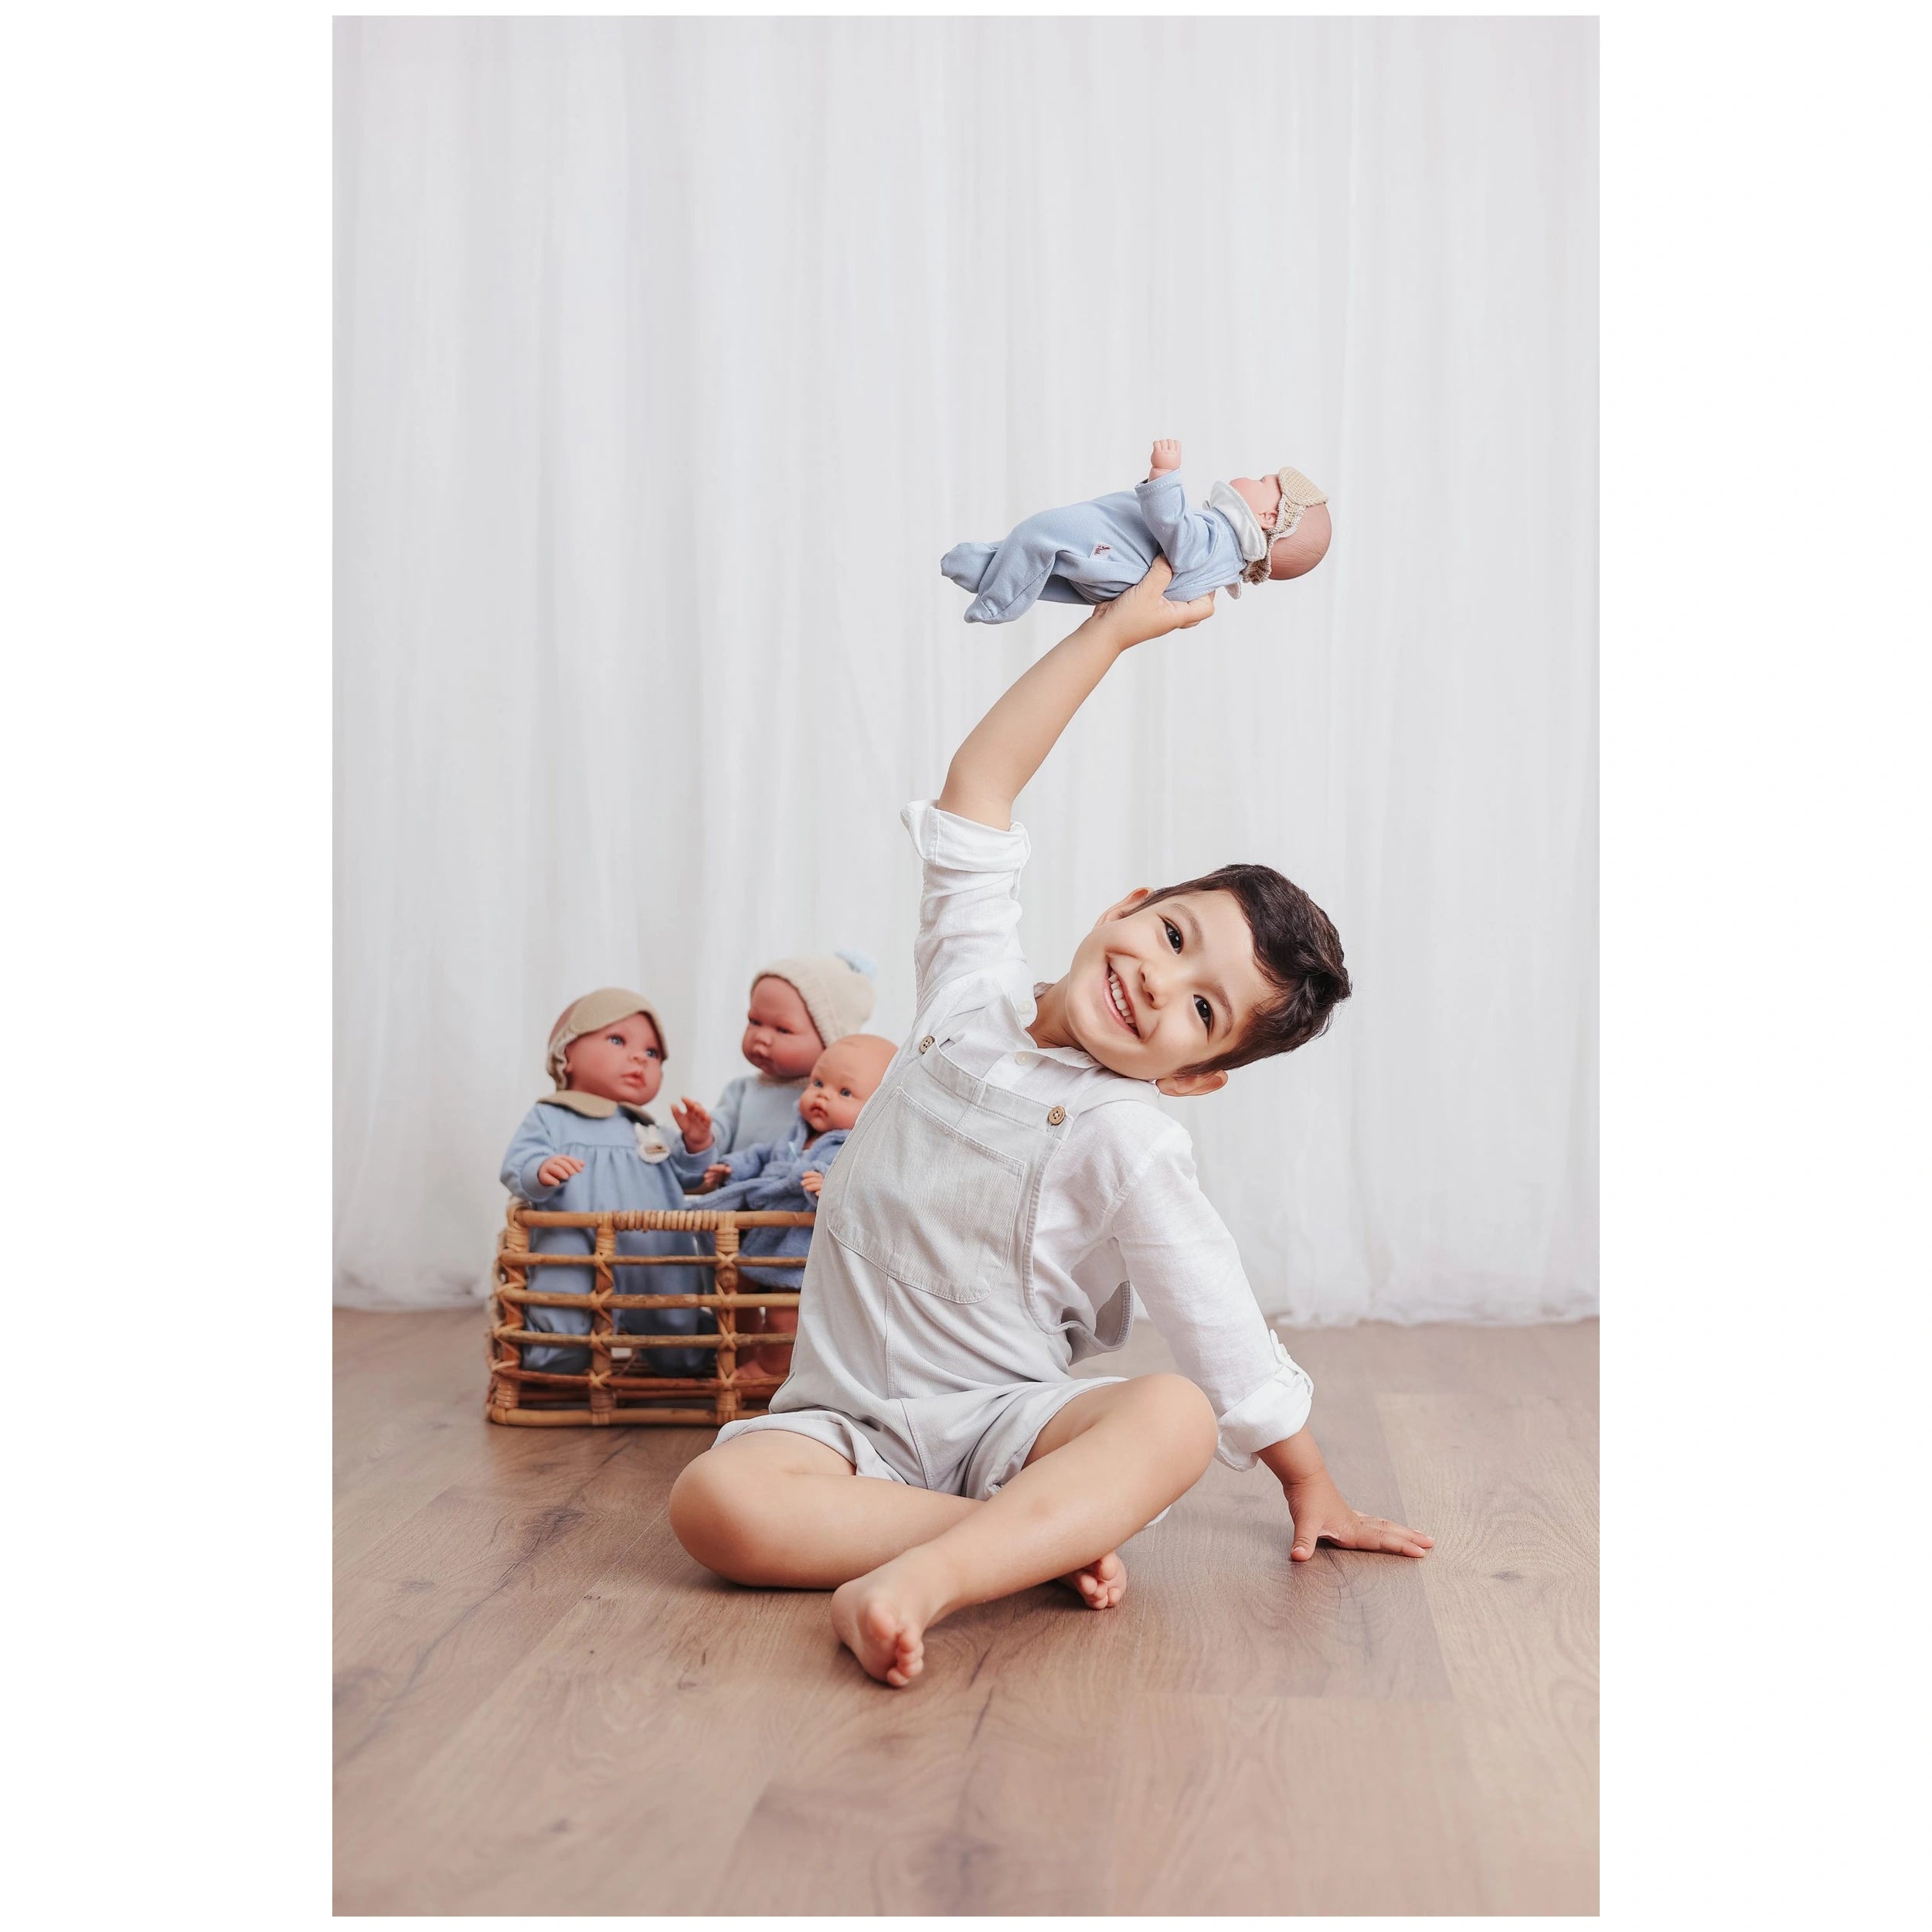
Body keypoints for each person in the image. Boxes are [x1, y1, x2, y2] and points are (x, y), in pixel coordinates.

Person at [668, 562, 1429, 1689]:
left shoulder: (1129, 1136)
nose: (1160, 987)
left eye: (1203, 1012)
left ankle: (927, 1577)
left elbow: (1214, 1318)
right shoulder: (969, 988)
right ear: (1127, 907)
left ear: (1195, 1078)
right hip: (842, 1429)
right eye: (1173, 941)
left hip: (1004, 1427)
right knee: (711, 1506)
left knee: (1168, 1413)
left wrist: (1307, 1479)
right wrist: (1110, 635)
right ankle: (1023, 1542)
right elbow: (982, 781)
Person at [500, 988, 719, 1377]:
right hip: (575, 1245)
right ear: (565, 1055)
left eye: (653, 1054)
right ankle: (556, 1360)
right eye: (618, 1040)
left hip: (657, 1249)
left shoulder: (646, 1127)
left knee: (673, 1311)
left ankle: (684, 1357)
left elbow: (693, 1177)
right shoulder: (551, 1116)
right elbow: (518, 1162)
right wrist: (540, 1169)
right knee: (562, 1299)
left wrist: (697, 1143)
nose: (640, 1057)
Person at [940, 437, 1330, 624]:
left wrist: (1165, 477)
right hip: (1119, 562)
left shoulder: (1217, 541)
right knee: (1048, 560)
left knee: (1044, 532)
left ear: (1266, 515)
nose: (1252, 475)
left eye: (1263, 479)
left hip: (1119, 559)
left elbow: (1175, 529)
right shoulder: (1224, 551)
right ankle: (983, 568)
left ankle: (996, 603)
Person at [689, 1033, 898, 1375]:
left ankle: (772, 1369)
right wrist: (734, 1167)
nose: (822, 1096)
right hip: (766, 1237)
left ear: (878, 1107)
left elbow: (867, 1186)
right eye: (818, 1083)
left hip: (801, 1251)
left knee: (783, 1313)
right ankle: (742, 1355)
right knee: (734, 1294)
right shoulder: (796, 1133)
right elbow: (761, 1154)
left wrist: (830, 1183)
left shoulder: (857, 1145)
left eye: (844, 1092)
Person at [675, 952, 877, 1162]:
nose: (761, 1037)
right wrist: (702, 1137)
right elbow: (720, 1133)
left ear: (831, 1039)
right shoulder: (742, 1092)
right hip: (738, 1189)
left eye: (782, 1029)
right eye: (754, 1021)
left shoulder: (833, 1103)